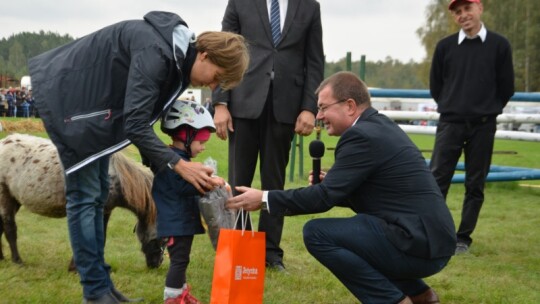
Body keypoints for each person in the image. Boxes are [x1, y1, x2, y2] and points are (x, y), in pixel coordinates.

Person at [28, 11, 249, 304]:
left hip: (93, 110)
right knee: (86, 195)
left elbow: (140, 117)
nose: (211, 86)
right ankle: (95, 291)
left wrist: (170, 164)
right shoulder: (158, 52)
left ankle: (103, 288)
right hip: (73, 102)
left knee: (98, 194)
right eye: (217, 78)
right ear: (205, 55)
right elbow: (135, 123)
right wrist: (178, 164)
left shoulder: (175, 60)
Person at [227, 72, 456, 304]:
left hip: (416, 244)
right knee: (354, 234)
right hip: (435, 242)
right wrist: (334, 186)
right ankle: (421, 295)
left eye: (323, 108)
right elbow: (378, 193)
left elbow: (322, 199)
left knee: (317, 233)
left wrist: (264, 198)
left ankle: (393, 300)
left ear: (349, 106)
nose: (319, 116)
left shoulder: (360, 135)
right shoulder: (379, 125)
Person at [212, 0, 324, 271]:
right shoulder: (240, 2)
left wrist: (310, 107)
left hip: (285, 106)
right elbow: (224, 51)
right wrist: (220, 103)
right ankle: (237, 247)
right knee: (239, 181)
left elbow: (315, 60)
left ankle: (270, 253)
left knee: (274, 184)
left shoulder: (309, 6)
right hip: (243, 103)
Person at [429, 0, 515, 255]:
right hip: (450, 124)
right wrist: (452, 105)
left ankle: (462, 238)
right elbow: (436, 86)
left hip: (483, 126)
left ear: (479, 9)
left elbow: (506, 86)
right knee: (437, 181)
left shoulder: (500, 46)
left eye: (467, 9)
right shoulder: (444, 47)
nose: (463, 15)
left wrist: (487, 109)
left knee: (475, 183)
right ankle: (434, 232)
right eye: (457, 12)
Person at [153, 100, 221, 304]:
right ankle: (172, 298)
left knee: (181, 260)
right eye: (201, 142)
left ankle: (180, 293)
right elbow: (183, 187)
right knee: (179, 261)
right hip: (175, 224)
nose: (203, 147)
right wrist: (210, 183)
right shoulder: (171, 162)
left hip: (180, 222)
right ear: (185, 136)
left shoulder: (180, 159)